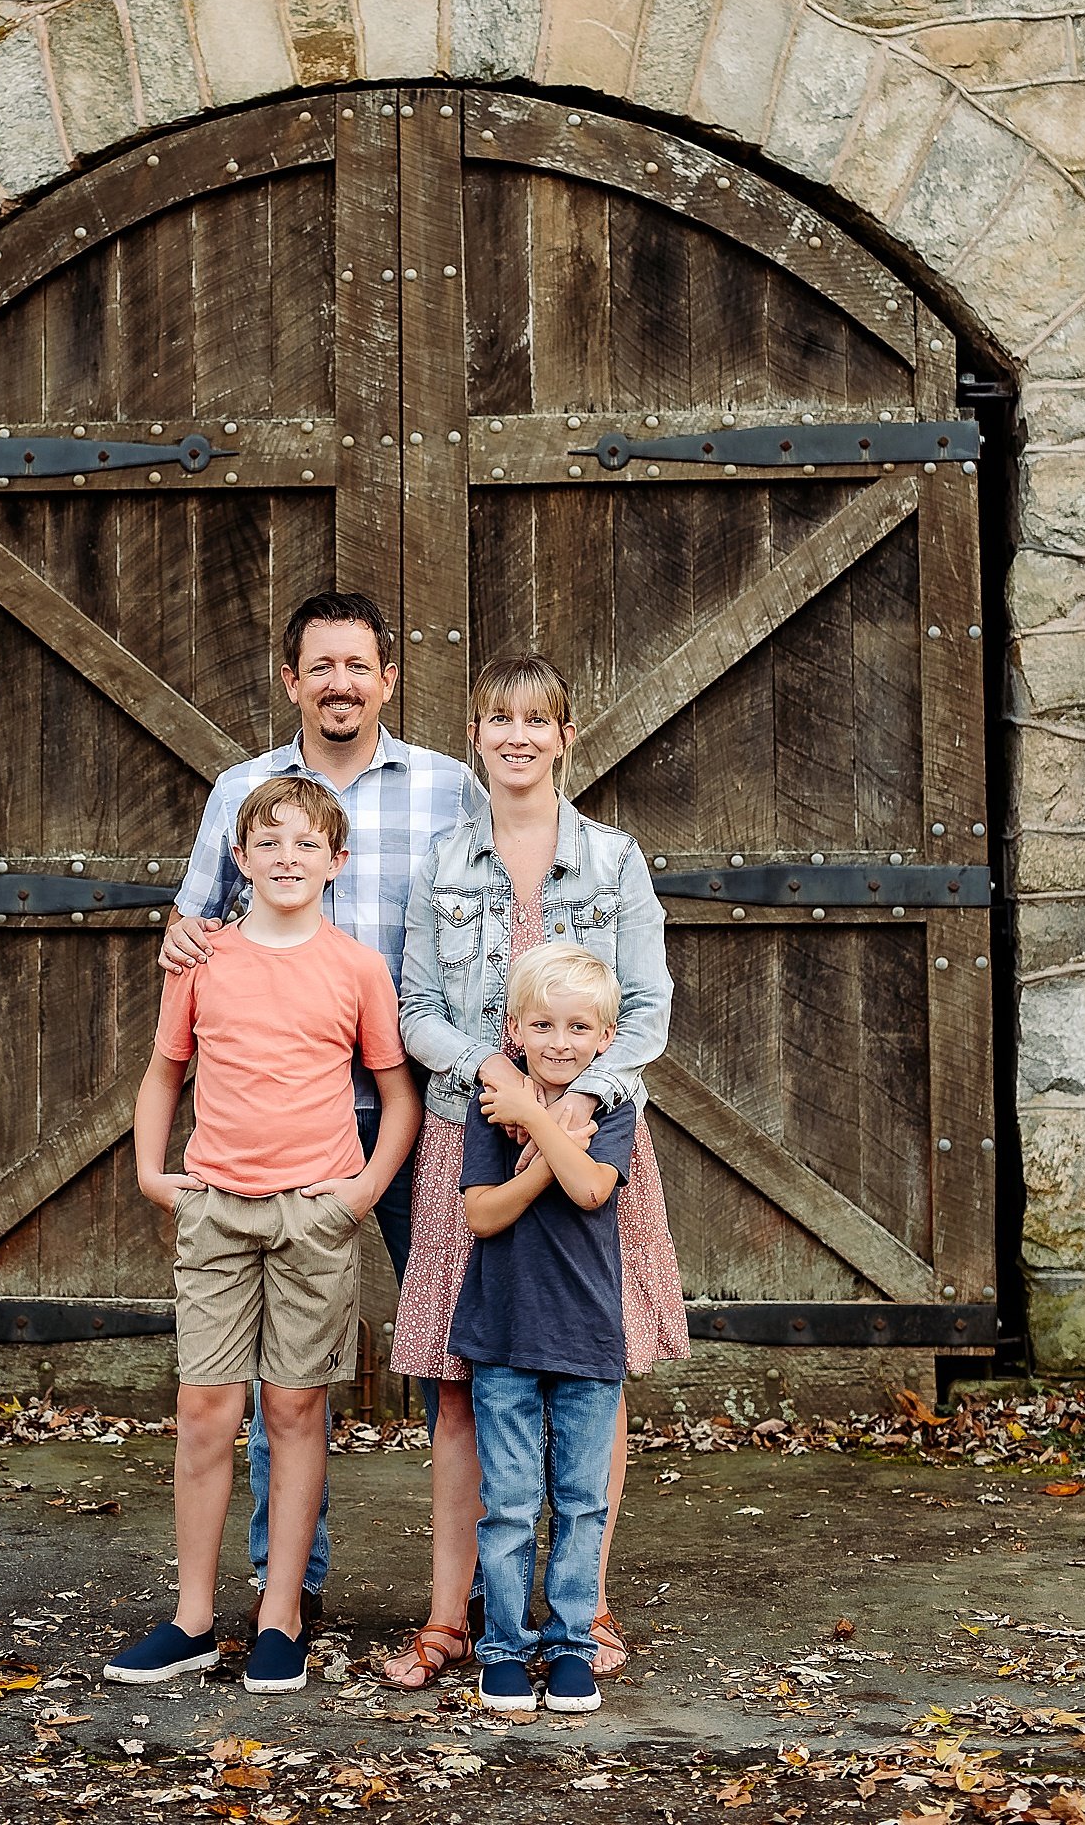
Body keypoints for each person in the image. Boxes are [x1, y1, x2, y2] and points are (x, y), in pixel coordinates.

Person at [160, 592, 479, 1617]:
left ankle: (465, 1592)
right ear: (290, 680)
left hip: (416, 1112)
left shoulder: (448, 788)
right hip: (280, 1129)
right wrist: (175, 938)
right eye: (320, 666)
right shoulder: (243, 792)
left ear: (389, 679)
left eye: (359, 665)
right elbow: (198, 929)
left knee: (449, 1351)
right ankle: (285, 1593)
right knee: (278, 1382)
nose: (340, 682)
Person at [383, 652, 689, 1690]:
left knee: (593, 1371)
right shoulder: (441, 861)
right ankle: (451, 1617)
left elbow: (645, 1008)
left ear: (565, 736)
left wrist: (573, 1098)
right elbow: (417, 1007)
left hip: (598, 1132)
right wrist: (497, 1087)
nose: (516, 736)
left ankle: (583, 1608)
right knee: (465, 1382)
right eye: (496, 719)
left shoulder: (614, 860)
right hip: (466, 1135)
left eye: (536, 720)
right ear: (475, 735)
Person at [107, 777, 421, 1694]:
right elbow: (165, 1074)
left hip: (312, 1216)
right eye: (269, 843)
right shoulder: (202, 961)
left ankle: (281, 1614)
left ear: (338, 862)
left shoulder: (359, 968)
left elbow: (396, 1095)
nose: (288, 857)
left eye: (307, 844)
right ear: (238, 860)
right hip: (216, 1211)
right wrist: (149, 1169)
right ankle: (194, 1618)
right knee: (206, 1408)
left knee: (293, 1409)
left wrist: (358, 1194)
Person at [455, 944, 636, 1716]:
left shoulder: (617, 1108)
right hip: (504, 1335)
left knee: (582, 1500)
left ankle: (569, 1646)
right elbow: (482, 1212)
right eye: (542, 1024)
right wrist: (531, 1125)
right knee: (508, 1503)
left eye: (578, 1026)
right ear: (515, 1029)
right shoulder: (492, 1108)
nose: (559, 1040)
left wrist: (542, 1120)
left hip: (589, 1336)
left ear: (604, 1037)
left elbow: (594, 1188)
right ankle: (502, 1646)